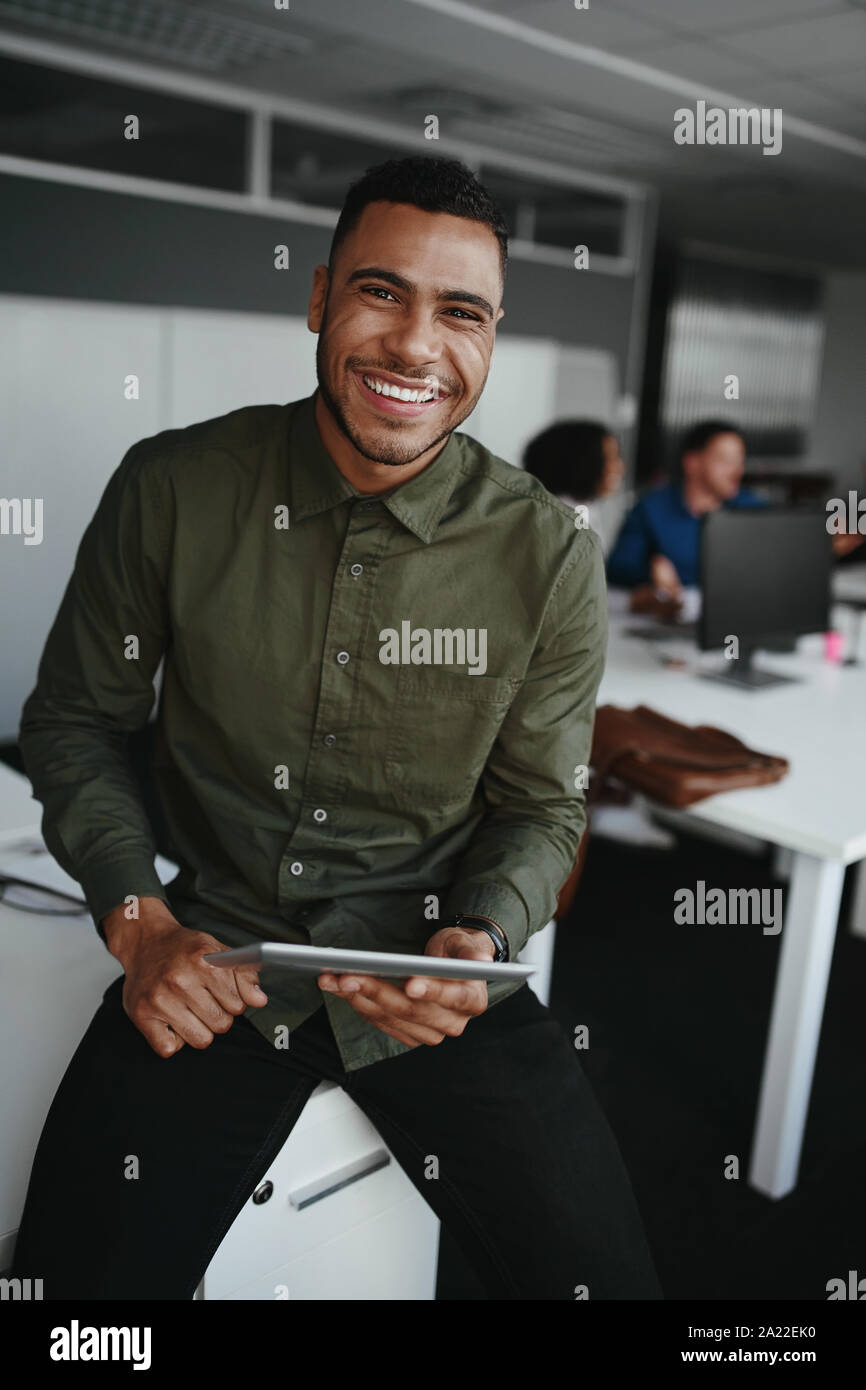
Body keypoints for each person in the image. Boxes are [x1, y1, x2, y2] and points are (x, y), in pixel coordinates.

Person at [11, 155, 661, 1301]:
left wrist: (481, 937)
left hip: (430, 970)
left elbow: (539, 804)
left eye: (459, 311)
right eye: (379, 292)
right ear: (318, 300)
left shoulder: (548, 554)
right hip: (214, 959)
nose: (415, 345)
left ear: (491, 338)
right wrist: (135, 919)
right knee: (76, 1305)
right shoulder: (171, 488)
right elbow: (74, 724)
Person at [606, 420, 764, 611]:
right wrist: (650, 573)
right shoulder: (652, 507)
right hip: (674, 619)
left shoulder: (754, 510)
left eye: (740, 461)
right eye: (725, 461)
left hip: (736, 615)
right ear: (692, 463)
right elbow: (618, 568)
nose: (737, 471)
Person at [522, 420, 626, 552]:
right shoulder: (561, 520)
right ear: (580, 463)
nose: (620, 468)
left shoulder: (585, 509)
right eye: (609, 458)